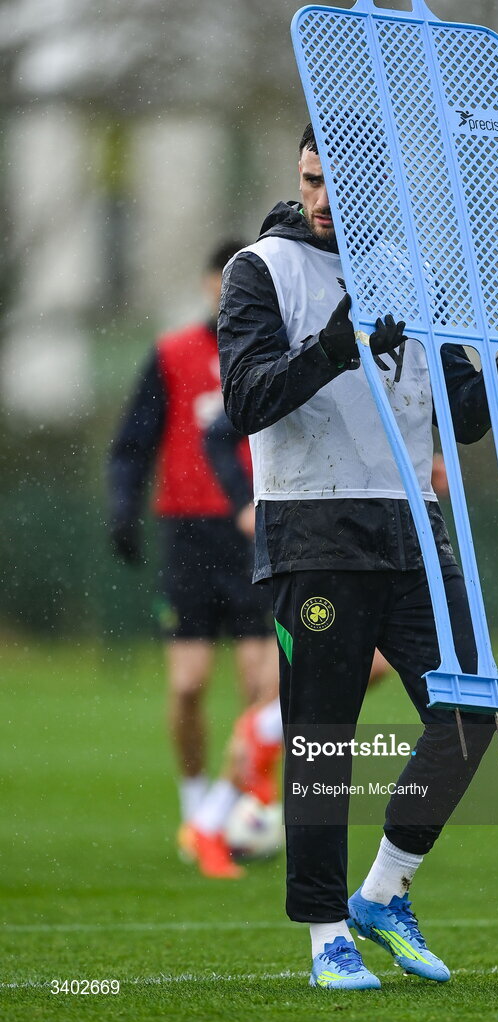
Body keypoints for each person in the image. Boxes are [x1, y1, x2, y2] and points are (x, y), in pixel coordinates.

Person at [217, 124, 498, 988]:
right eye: (309, 180)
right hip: (313, 533)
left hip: (411, 529)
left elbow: (459, 417)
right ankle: (326, 931)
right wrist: (334, 344)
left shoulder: (414, 275)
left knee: (472, 711)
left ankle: (383, 891)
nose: (322, 199)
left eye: (339, 185)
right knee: (324, 743)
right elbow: (249, 399)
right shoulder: (260, 270)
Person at [107, 241, 282, 879]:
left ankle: (236, 808)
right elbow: (132, 442)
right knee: (188, 682)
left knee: (262, 685)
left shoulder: (273, 353)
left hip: (258, 530)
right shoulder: (173, 354)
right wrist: (123, 509)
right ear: (212, 284)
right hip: (187, 535)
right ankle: (197, 804)